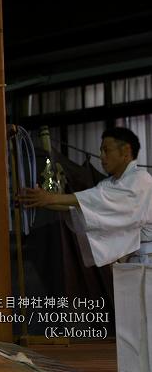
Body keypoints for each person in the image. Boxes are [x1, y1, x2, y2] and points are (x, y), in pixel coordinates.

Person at [18, 126, 152, 372]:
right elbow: (83, 206)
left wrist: (51, 199)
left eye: (107, 150)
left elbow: (96, 202)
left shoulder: (141, 180)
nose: (102, 156)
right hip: (132, 264)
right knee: (132, 328)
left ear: (126, 152)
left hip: (149, 261)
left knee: (148, 326)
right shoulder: (110, 184)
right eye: (101, 150)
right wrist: (42, 199)